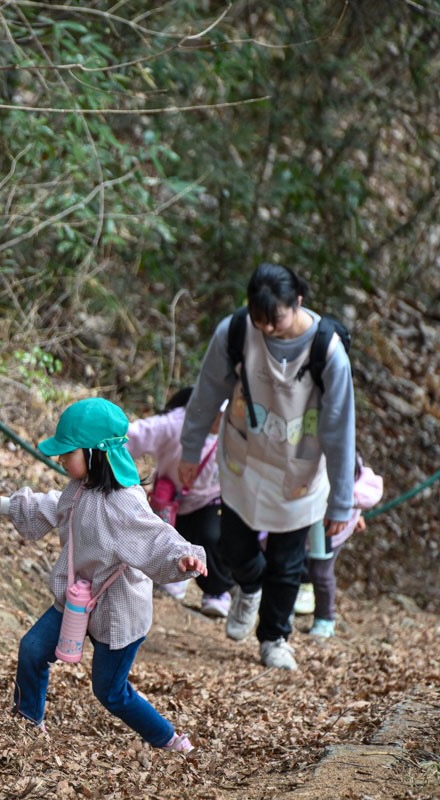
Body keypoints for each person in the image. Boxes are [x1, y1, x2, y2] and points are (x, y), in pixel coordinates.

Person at [0, 398, 206, 752]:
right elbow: (55, 506)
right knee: (33, 649)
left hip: (118, 612)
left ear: (96, 453)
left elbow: (155, 536)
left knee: (110, 691)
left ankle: (170, 740)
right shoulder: (80, 488)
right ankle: (27, 722)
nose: (60, 459)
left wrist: (184, 557)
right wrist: (8, 505)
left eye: (68, 452)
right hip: (78, 598)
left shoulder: (123, 503)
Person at [178, 263, 356, 670]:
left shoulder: (328, 351)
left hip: (299, 470)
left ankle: (274, 637)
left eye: (276, 319)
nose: (268, 329)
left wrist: (341, 501)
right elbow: (206, 393)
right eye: (260, 320)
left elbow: (339, 429)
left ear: (298, 302)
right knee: (233, 547)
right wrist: (190, 450)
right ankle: (249, 585)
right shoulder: (236, 332)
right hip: (244, 460)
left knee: (287, 563)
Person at [126, 387, 233, 617]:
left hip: (211, 496)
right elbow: (135, 436)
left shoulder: (235, 433)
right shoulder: (175, 424)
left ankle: (217, 591)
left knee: (210, 536)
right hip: (171, 496)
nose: (221, 419)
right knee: (165, 534)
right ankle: (173, 576)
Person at [296, 457, 383, 638]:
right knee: (290, 565)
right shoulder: (307, 455)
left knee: (321, 573)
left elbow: (366, 490)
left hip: (332, 531)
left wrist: (351, 509)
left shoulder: (348, 460)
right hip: (301, 525)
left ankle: (325, 619)